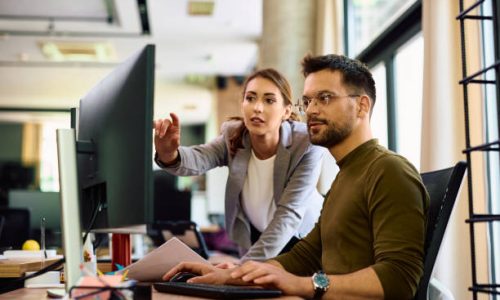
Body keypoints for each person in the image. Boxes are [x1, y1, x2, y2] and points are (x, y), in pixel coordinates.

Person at [162, 54, 429, 300]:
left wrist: (303, 284)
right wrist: (230, 275)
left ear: (361, 106)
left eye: (324, 98)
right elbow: (304, 256)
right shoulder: (345, 177)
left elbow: (400, 280)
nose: (311, 110)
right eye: (308, 100)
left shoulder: (389, 170)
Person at [154, 68, 326, 261]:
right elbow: (199, 158)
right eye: (250, 98)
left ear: (286, 111)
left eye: (269, 100)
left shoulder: (306, 144)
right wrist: (169, 153)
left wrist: (241, 268)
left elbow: (289, 214)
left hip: (304, 241)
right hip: (257, 238)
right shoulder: (234, 136)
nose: (257, 108)